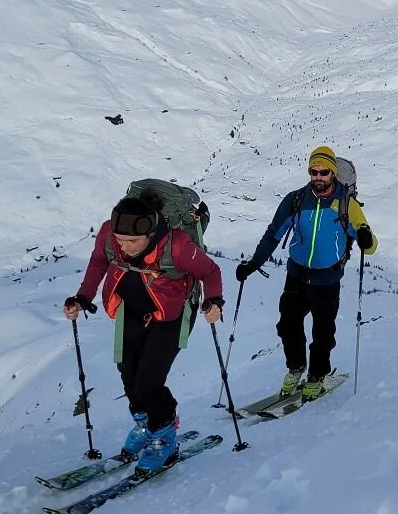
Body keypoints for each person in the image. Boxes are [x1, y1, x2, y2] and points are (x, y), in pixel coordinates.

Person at [64, 195, 224, 473]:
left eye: (131, 242)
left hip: (170, 315)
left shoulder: (178, 246)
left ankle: (164, 435)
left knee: (148, 382)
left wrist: (215, 302)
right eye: (120, 240)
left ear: (150, 233)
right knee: (127, 372)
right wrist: (82, 297)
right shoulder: (108, 234)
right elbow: (98, 262)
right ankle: (146, 425)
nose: (123, 247)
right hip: (131, 311)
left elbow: (210, 272)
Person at [234, 146, 378, 401]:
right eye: (314, 171)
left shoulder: (347, 204)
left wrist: (366, 238)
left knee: (323, 332)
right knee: (287, 326)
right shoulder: (296, 200)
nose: (318, 176)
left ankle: (317, 375)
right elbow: (273, 234)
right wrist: (254, 263)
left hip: (328, 279)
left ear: (333, 173)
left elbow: (370, 244)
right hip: (297, 275)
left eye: (324, 172)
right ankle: (296, 367)